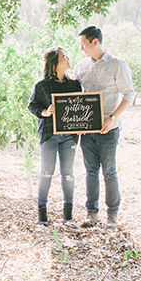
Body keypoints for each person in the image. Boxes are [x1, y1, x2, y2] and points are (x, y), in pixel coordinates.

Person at [74, 26, 136, 230]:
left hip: (108, 129)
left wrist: (113, 118)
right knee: (90, 171)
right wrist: (75, 121)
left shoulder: (117, 64)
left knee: (109, 172)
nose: (82, 49)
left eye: (84, 44)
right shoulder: (81, 66)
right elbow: (75, 97)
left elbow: (129, 94)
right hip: (86, 130)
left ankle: (112, 215)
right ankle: (91, 213)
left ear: (95, 42)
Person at [27, 47, 82, 226]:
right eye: (63, 56)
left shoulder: (74, 84)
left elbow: (80, 108)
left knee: (68, 174)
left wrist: (81, 125)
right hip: (50, 135)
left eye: (66, 54)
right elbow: (32, 106)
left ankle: (68, 215)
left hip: (70, 137)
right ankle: (42, 214)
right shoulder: (41, 85)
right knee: (47, 173)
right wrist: (45, 112)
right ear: (54, 63)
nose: (67, 58)